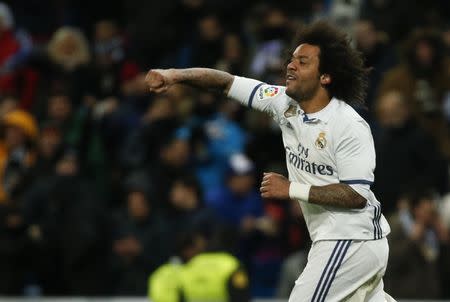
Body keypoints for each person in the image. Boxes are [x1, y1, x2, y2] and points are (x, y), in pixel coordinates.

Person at [145, 21, 395, 302]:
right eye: (291, 59)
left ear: (325, 76)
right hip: (346, 241)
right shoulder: (282, 103)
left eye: (303, 62)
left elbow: (357, 195)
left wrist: (292, 189)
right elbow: (226, 82)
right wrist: (176, 75)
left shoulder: (348, 125)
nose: (291, 66)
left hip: (350, 240)